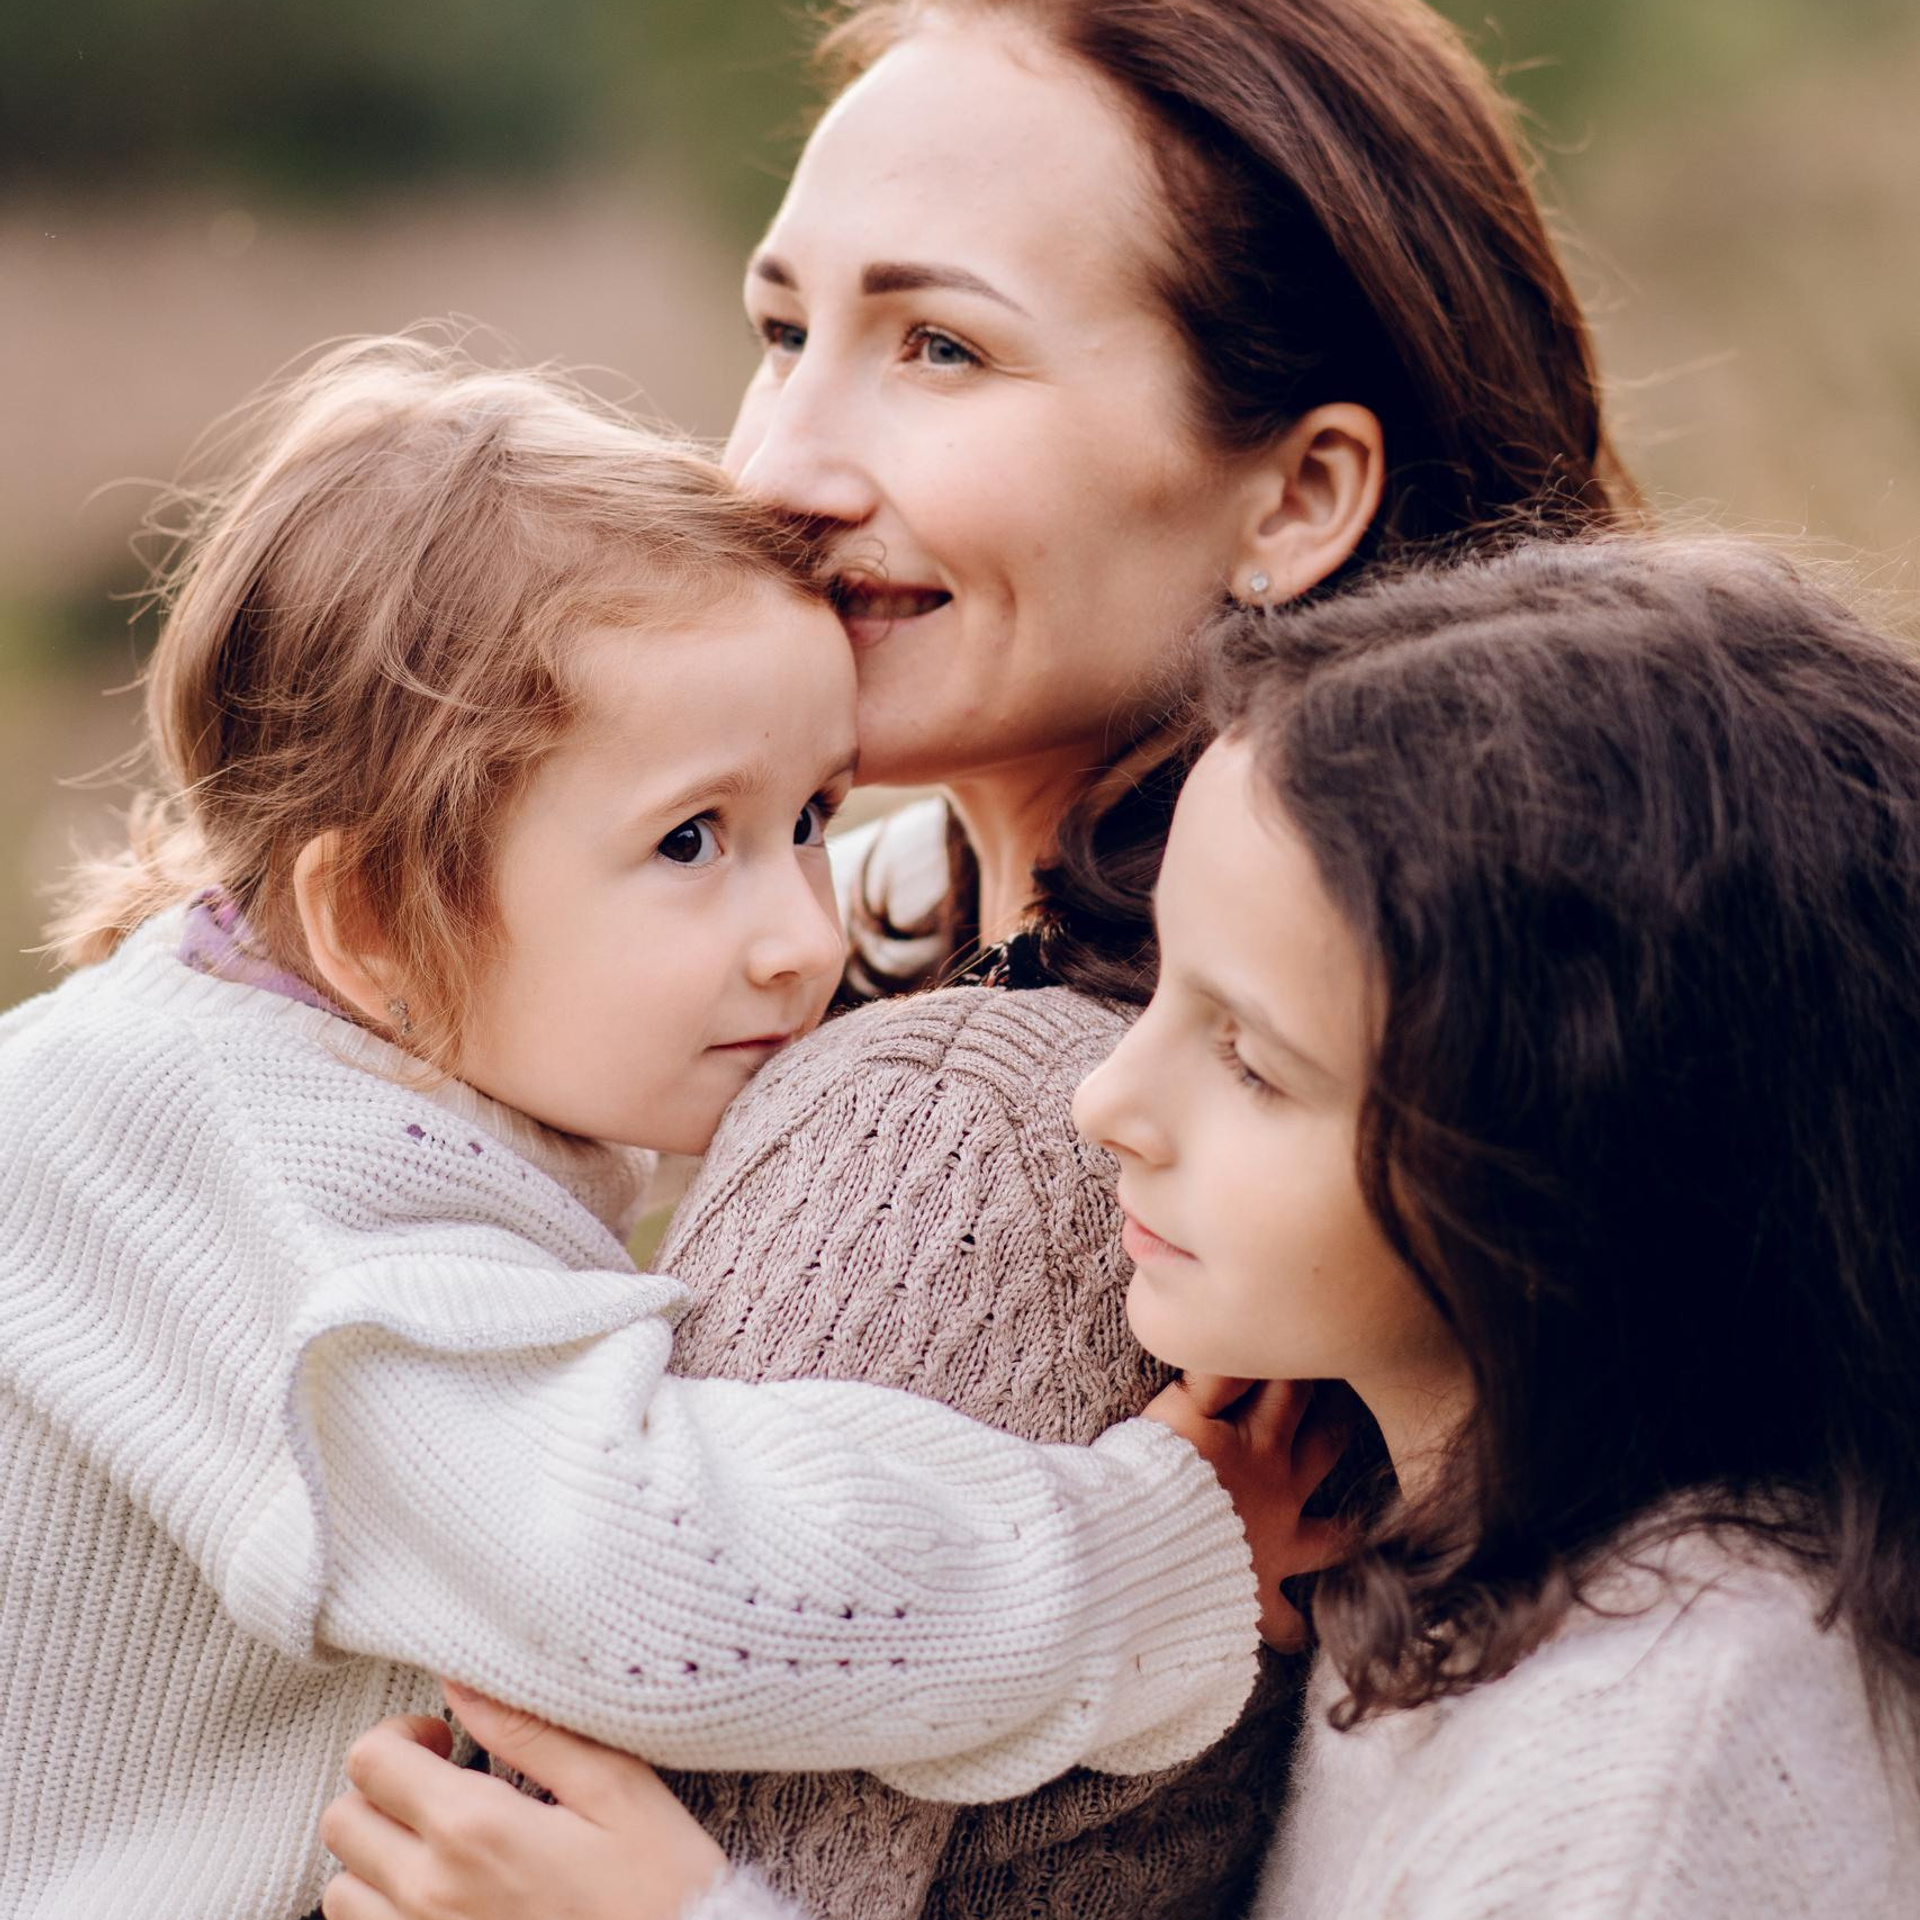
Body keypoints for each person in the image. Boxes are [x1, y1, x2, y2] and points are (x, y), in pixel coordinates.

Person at [432, 1, 1630, 1915]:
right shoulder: (1275, 1038)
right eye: (780, 334)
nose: (779, 466)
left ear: (1298, 495)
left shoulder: (958, 1135)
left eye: (941, 348)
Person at [327, 535, 1920, 1920]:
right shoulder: (1462, 1564)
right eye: (1158, 989)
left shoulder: (1666, 1745)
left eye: (1248, 1056)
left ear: (1576, 1150)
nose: (1103, 1103)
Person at [0, 335, 1350, 1920]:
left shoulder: (297, 1041)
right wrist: (1157, 1551)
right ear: (372, 911)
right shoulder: (256, 1190)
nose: (801, 931)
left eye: (815, 820)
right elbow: (655, 1579)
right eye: (694, 839)